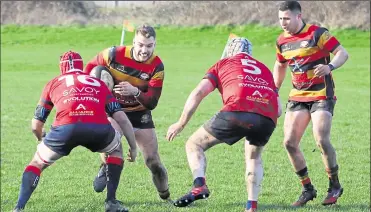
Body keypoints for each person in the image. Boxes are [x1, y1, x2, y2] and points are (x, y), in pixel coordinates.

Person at [166, 37, 282, 212]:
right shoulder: (264, 69)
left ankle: (199, 185)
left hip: (236, 111)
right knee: (253, 158)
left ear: (229, 51)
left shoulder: (222, 63)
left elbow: (198, 92)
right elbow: (279, 109)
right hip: (267, 117)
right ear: (250, 53)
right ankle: (251, 206)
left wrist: (181, 123)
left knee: (194, 144)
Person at [13, 51, 137, 212]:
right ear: (82, 65)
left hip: (66, 128)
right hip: (97, 128)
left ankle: (19, 208)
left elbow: (36, 124)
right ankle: (111, 202)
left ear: (61, 68)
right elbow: (121, 118)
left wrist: (39, 137)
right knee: (115, 151)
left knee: (37, 163)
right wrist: (133, 147)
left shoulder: (53, 83)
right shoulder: (97, 82)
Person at [273, 1, 349, 207]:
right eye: (280, 19)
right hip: (297, 95)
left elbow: (343, 53)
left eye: (287, 18)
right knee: (289, 143)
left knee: (321, 140)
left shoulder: (318, 33)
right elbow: (280, 64)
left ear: (299, 16)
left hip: (321, 94)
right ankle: (307, 189)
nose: (283, 23)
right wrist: (275, 88)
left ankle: (334, 185)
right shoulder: (282, 41)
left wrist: (330, 66)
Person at [84, 24, 170, 200]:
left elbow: (152, 102)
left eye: (149, 46)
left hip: (140, 114)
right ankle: (105, 165)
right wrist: (101, 90)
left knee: (153, 162)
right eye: (140, 45)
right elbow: (88, 72)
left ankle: (166, 196)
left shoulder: (157, 66)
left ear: (155, 44)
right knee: (112, 145)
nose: (144, 50)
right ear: (133, 43)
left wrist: (135, 91)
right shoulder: (113, 54)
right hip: (114, 110)